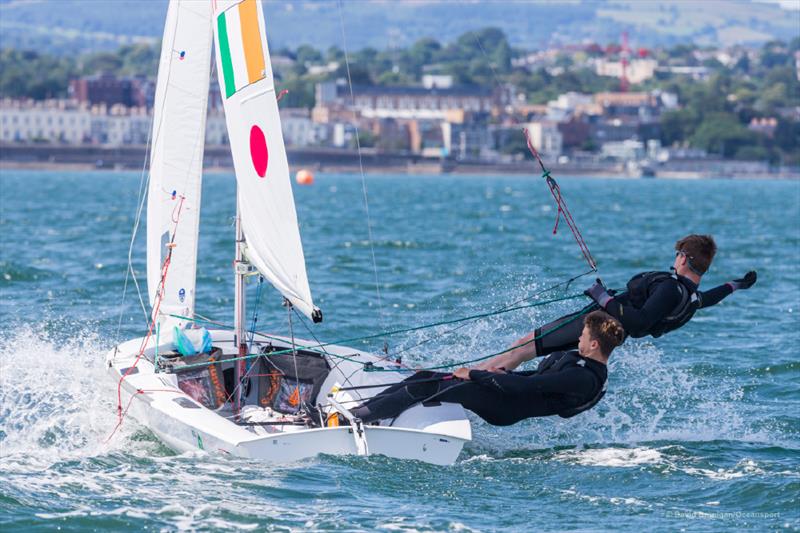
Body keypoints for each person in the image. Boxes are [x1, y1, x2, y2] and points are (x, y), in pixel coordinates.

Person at [476, 234, 757, 372]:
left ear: (683, 258)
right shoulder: (691, 297)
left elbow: (639, 322)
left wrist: (602, 297)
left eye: (677, 254)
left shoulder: (672, 289)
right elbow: (711, 297)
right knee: (530, 351)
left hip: (596, 326)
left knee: (525, 346)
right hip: (606, 334)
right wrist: (736, 285)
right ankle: (483, 378)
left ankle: (471, 380)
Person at [350, 311, 625, 426]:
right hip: (507, 392)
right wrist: (502, 374)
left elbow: (527, 388)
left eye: (583, 336)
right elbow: (536, 378)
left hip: (506, 407)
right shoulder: (578, 362)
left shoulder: (583, 378)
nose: (578, 338)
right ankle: (369, 410)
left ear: (594, 345)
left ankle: (356, 419)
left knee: (435, 386)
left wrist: (475, 374)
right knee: (424, 377)